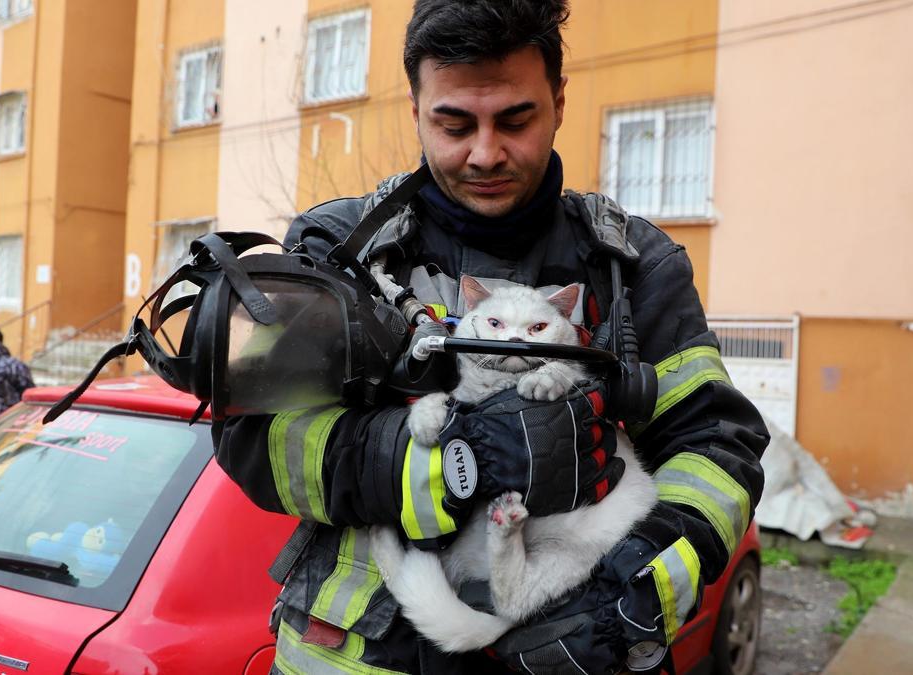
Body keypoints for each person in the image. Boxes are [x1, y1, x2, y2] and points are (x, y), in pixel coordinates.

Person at [215, 1, 768, 672]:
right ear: (415, 107)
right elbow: (256, 438)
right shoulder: (338, 252)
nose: (485, 152)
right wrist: (448, 460)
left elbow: (716, 446)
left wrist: (627, 591)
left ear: (559, 101)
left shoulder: (633, 266)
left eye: (515, 119)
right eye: (453, 123)